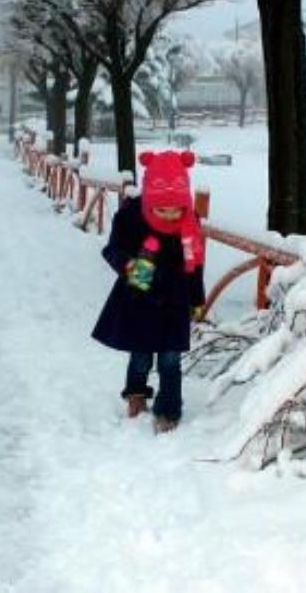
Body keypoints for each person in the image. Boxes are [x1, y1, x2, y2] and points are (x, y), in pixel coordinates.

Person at [91, 150, 206, 434]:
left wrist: (196, 299)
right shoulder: (131, 215)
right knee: (141, 354)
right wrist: (130, 266)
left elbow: (196, 264)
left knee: (170, 358)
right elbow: (112, 249)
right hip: (140, 295)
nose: (170, 215)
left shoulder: (189, 223)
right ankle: (136, 395)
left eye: (176, 210)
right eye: (162, 210)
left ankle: (168, 410)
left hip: (175, 299)